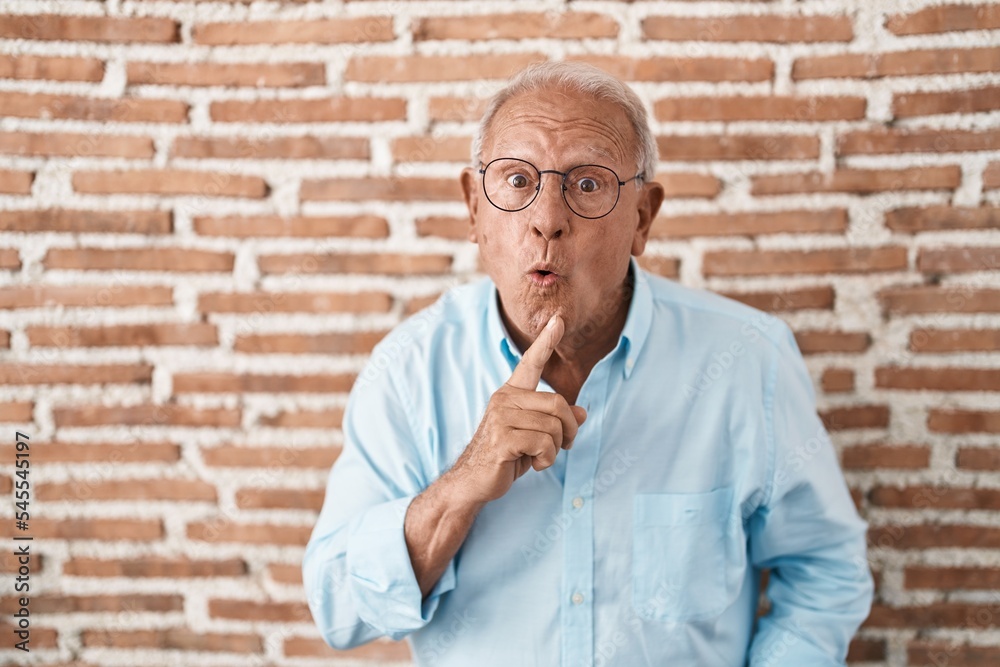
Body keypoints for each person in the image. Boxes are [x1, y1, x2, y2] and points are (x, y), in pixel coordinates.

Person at [303, 61, 873, 666]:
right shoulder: (407, 371)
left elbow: (824, 569)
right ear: (474, 208)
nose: (547, 219)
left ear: (643, 218)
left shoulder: (746, 360)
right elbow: (340, 611)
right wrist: (464, 482)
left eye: (589, 183)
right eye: (517, 181)